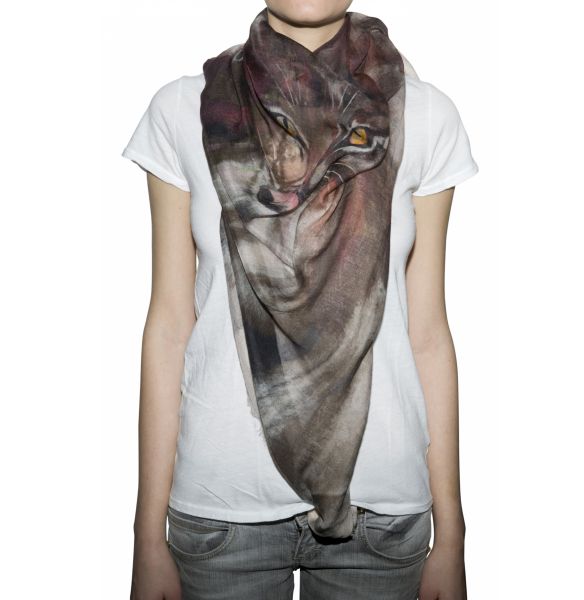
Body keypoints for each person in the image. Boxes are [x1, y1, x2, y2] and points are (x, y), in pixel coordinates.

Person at [122, 1, 479, 599]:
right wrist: (144, 537)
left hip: (380, 509)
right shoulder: (184, 108)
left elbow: (427, 334)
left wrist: (453, 536)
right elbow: (169, 326)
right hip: (220, 505)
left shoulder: (424, 115)